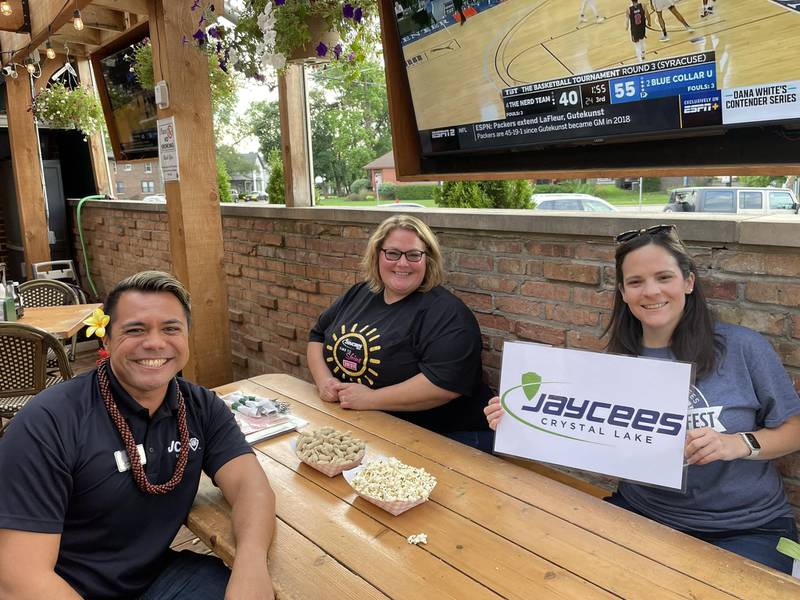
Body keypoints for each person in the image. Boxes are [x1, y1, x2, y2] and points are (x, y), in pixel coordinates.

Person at [485, 225, 800, 573]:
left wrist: (737, 444)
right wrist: (519, 419)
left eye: (664, 277)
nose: (651, 291)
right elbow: (586, 435)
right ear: (622, 292)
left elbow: (794, 427)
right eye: (636, 282)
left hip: (747, 527)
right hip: (643, 514)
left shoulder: (742, 347)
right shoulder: (617, 362)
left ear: (689, 282)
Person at [0, 271, 276, 598]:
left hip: (156, 578)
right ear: (107, 340)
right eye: (135, 329)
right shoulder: (49, 422)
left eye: (171, 328)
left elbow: (250, 485)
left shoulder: (202, 407)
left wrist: (251, 562)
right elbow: (19, 579)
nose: (155, 342)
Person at [308, 215, 494, 452]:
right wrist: (324, 381)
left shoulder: (447, 314)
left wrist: (371, 399)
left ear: (428, 259)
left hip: (443, 438)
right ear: (377, 255)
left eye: (413, 255)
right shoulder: (360, 293)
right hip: (366, 426)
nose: (403, 264)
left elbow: (444, 385)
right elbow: (317, 336)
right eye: (393, 253)